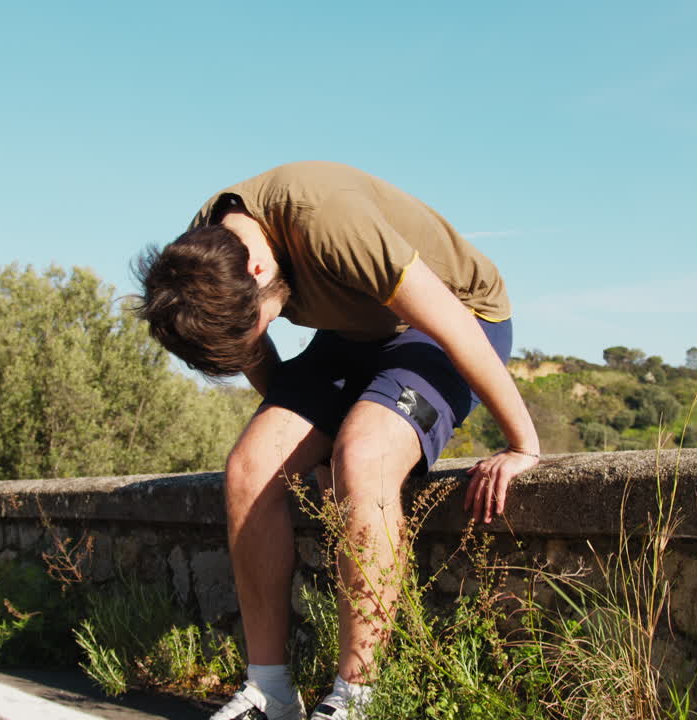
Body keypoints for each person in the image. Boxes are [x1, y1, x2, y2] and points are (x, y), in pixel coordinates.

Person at [135, 161, 540, 720]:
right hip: (353, 336)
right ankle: (270, 692)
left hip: (455, 320)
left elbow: (451, 324)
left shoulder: (328, 221)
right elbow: (252, 356)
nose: (260, 340)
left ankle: (358, 697)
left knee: (365, 456)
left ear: (257, 269)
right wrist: (312, 438)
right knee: (250, 468)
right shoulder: (201, 260)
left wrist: (522, 445)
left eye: (259, 328)